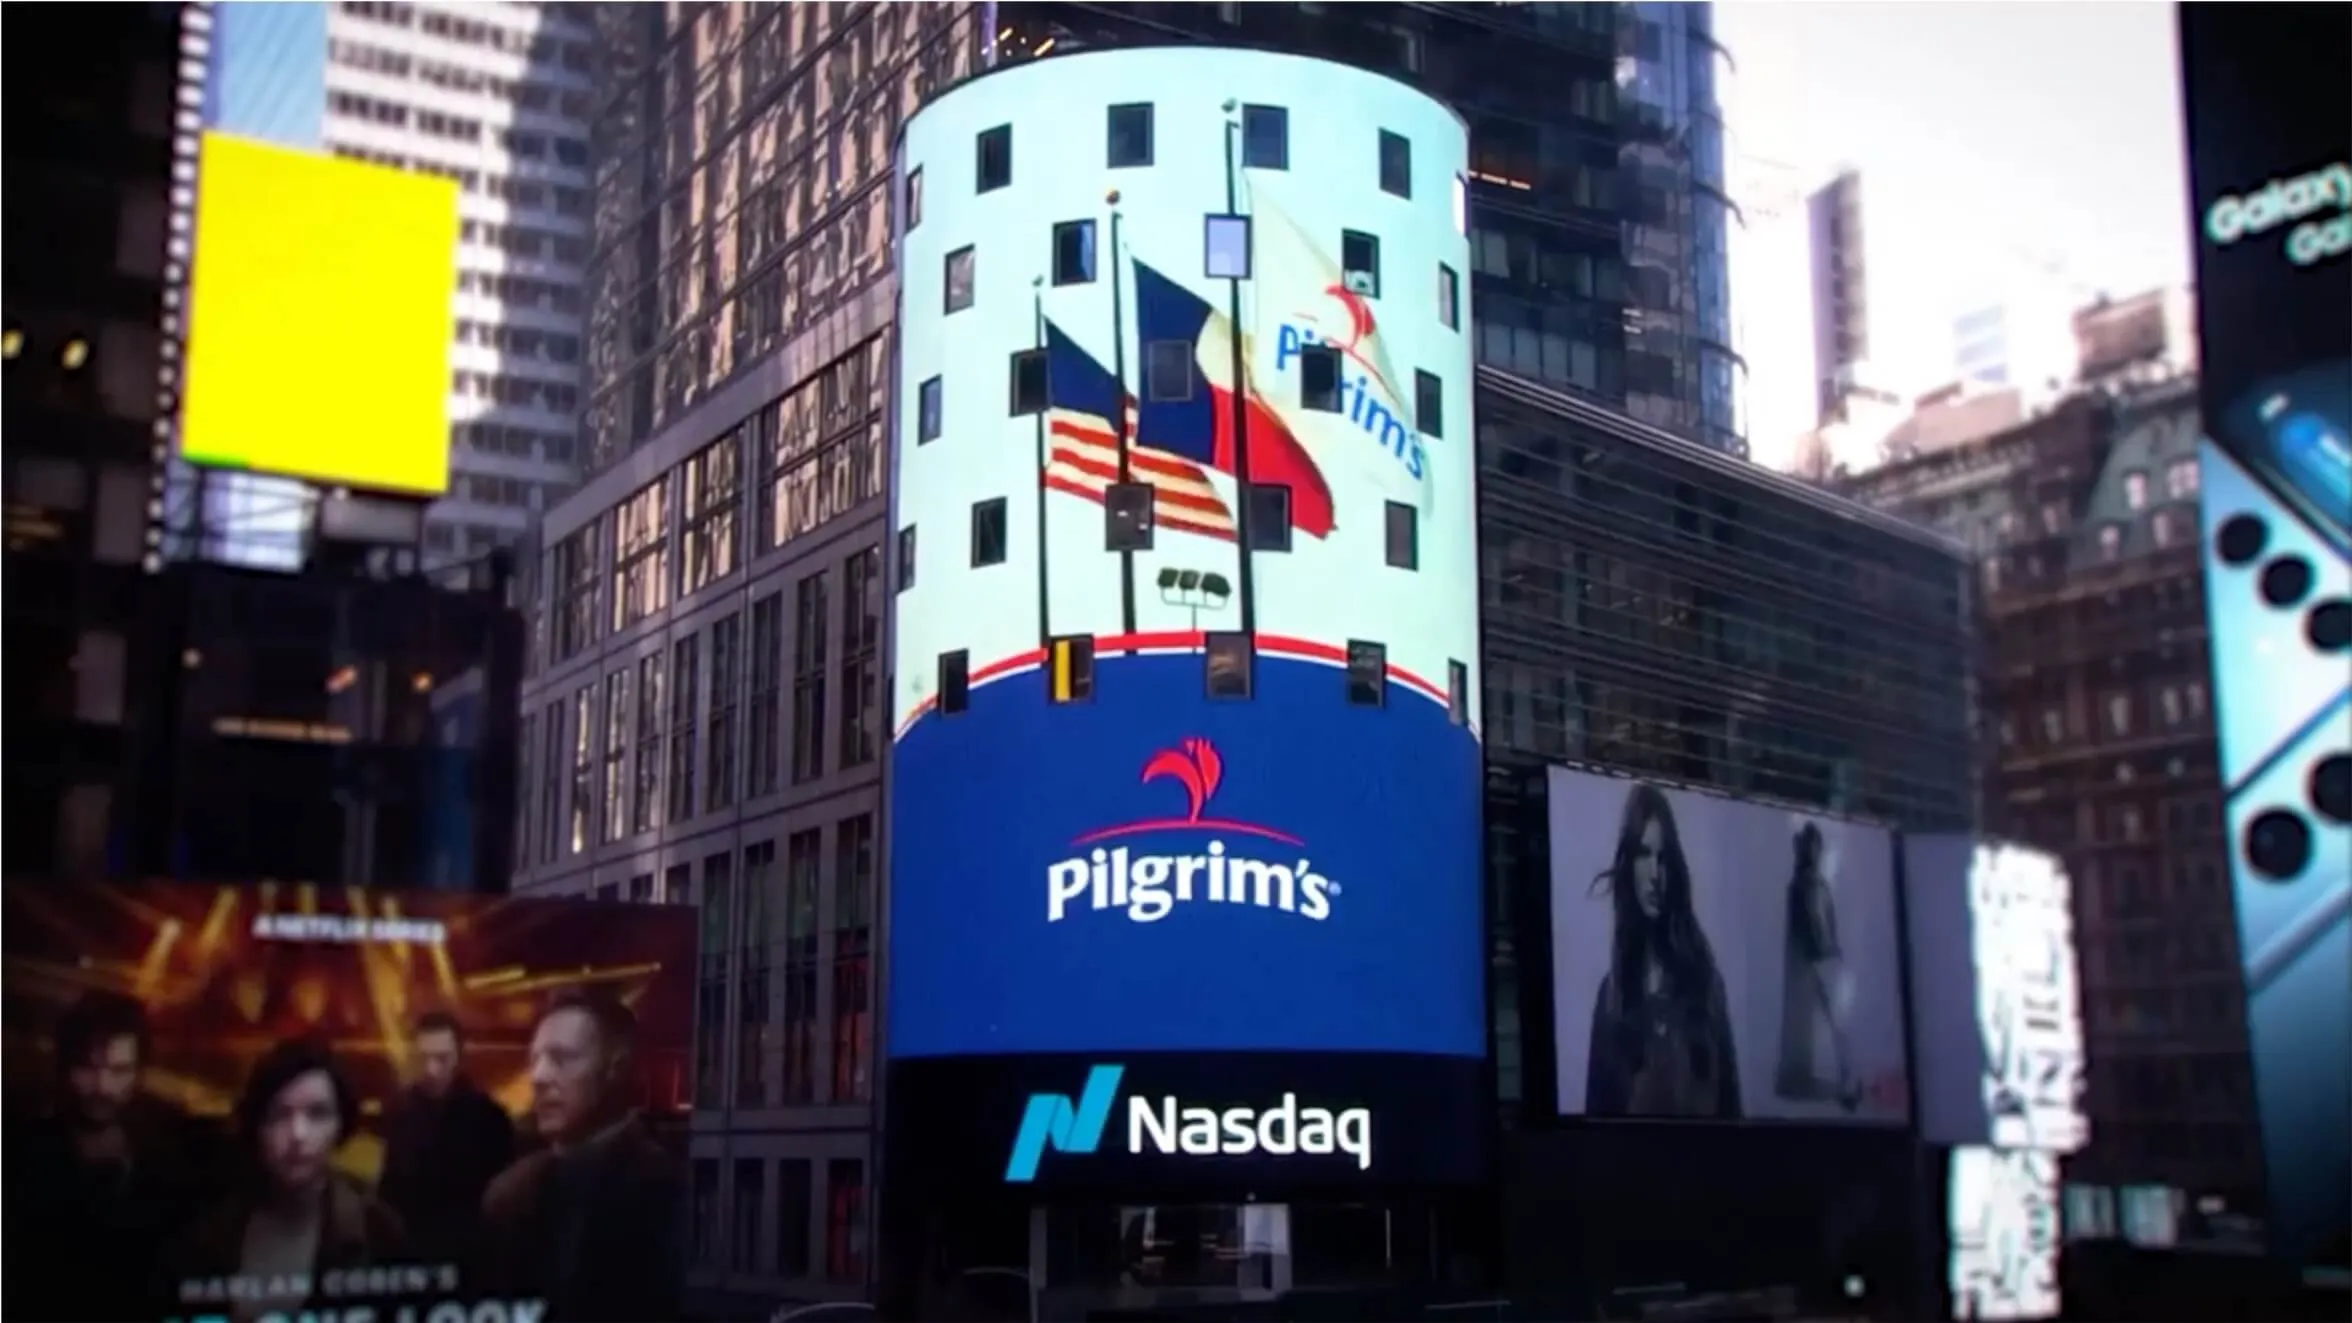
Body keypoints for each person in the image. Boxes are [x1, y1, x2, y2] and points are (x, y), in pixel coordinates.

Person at [475, 988, 686, 1323]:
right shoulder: (506, 1196)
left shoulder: (671, 1193)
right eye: (534, 1061)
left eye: (561, 1058)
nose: (539, 1077)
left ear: (615, 1066)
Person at [167, 1038, 407, 1323]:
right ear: (257, 1126)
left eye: (317, 1114)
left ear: (340, 1125)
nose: (298, 1134)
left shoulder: (379, 1233)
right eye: (280, 1115)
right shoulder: (207, 1237)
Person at [4, 992, 203, 1323]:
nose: (103, 1086)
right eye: (89, 1068)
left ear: (140, 1071)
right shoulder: (23, 1150)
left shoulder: (166, 1152)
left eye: (119, 1070)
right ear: (64, 1065)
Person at [1583, 782, 1743, 1118]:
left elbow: (1732, 1112)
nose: (1655, 874)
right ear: (1629, 866)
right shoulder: (1612, 999)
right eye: (1644, 855)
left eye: (1663, 858)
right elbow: (1594, 1132)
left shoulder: (1706, 987)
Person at [378, 1011, 517, 1263]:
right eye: (424, 1059)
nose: (432, 1070)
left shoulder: (490, 1118)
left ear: (459, 1057)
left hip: (473, 1256)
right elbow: (390, 1190)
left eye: (442, 1059)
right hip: (411, 1255)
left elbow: (503, 1201)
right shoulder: (399, 1113)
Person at [1774, 822, 1863, 1111]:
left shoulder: (1813, 885)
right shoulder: (1802, 886)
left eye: (1814, 845)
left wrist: (1829, 951)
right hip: (1813, 962)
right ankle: (1832, 1079)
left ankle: (1847, 1080)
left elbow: (1824, 923)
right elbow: (1812, 925)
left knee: (1838, 1024)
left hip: (1822, 960)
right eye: (1808, 845)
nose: (1812, 851)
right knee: (1817, 1023)